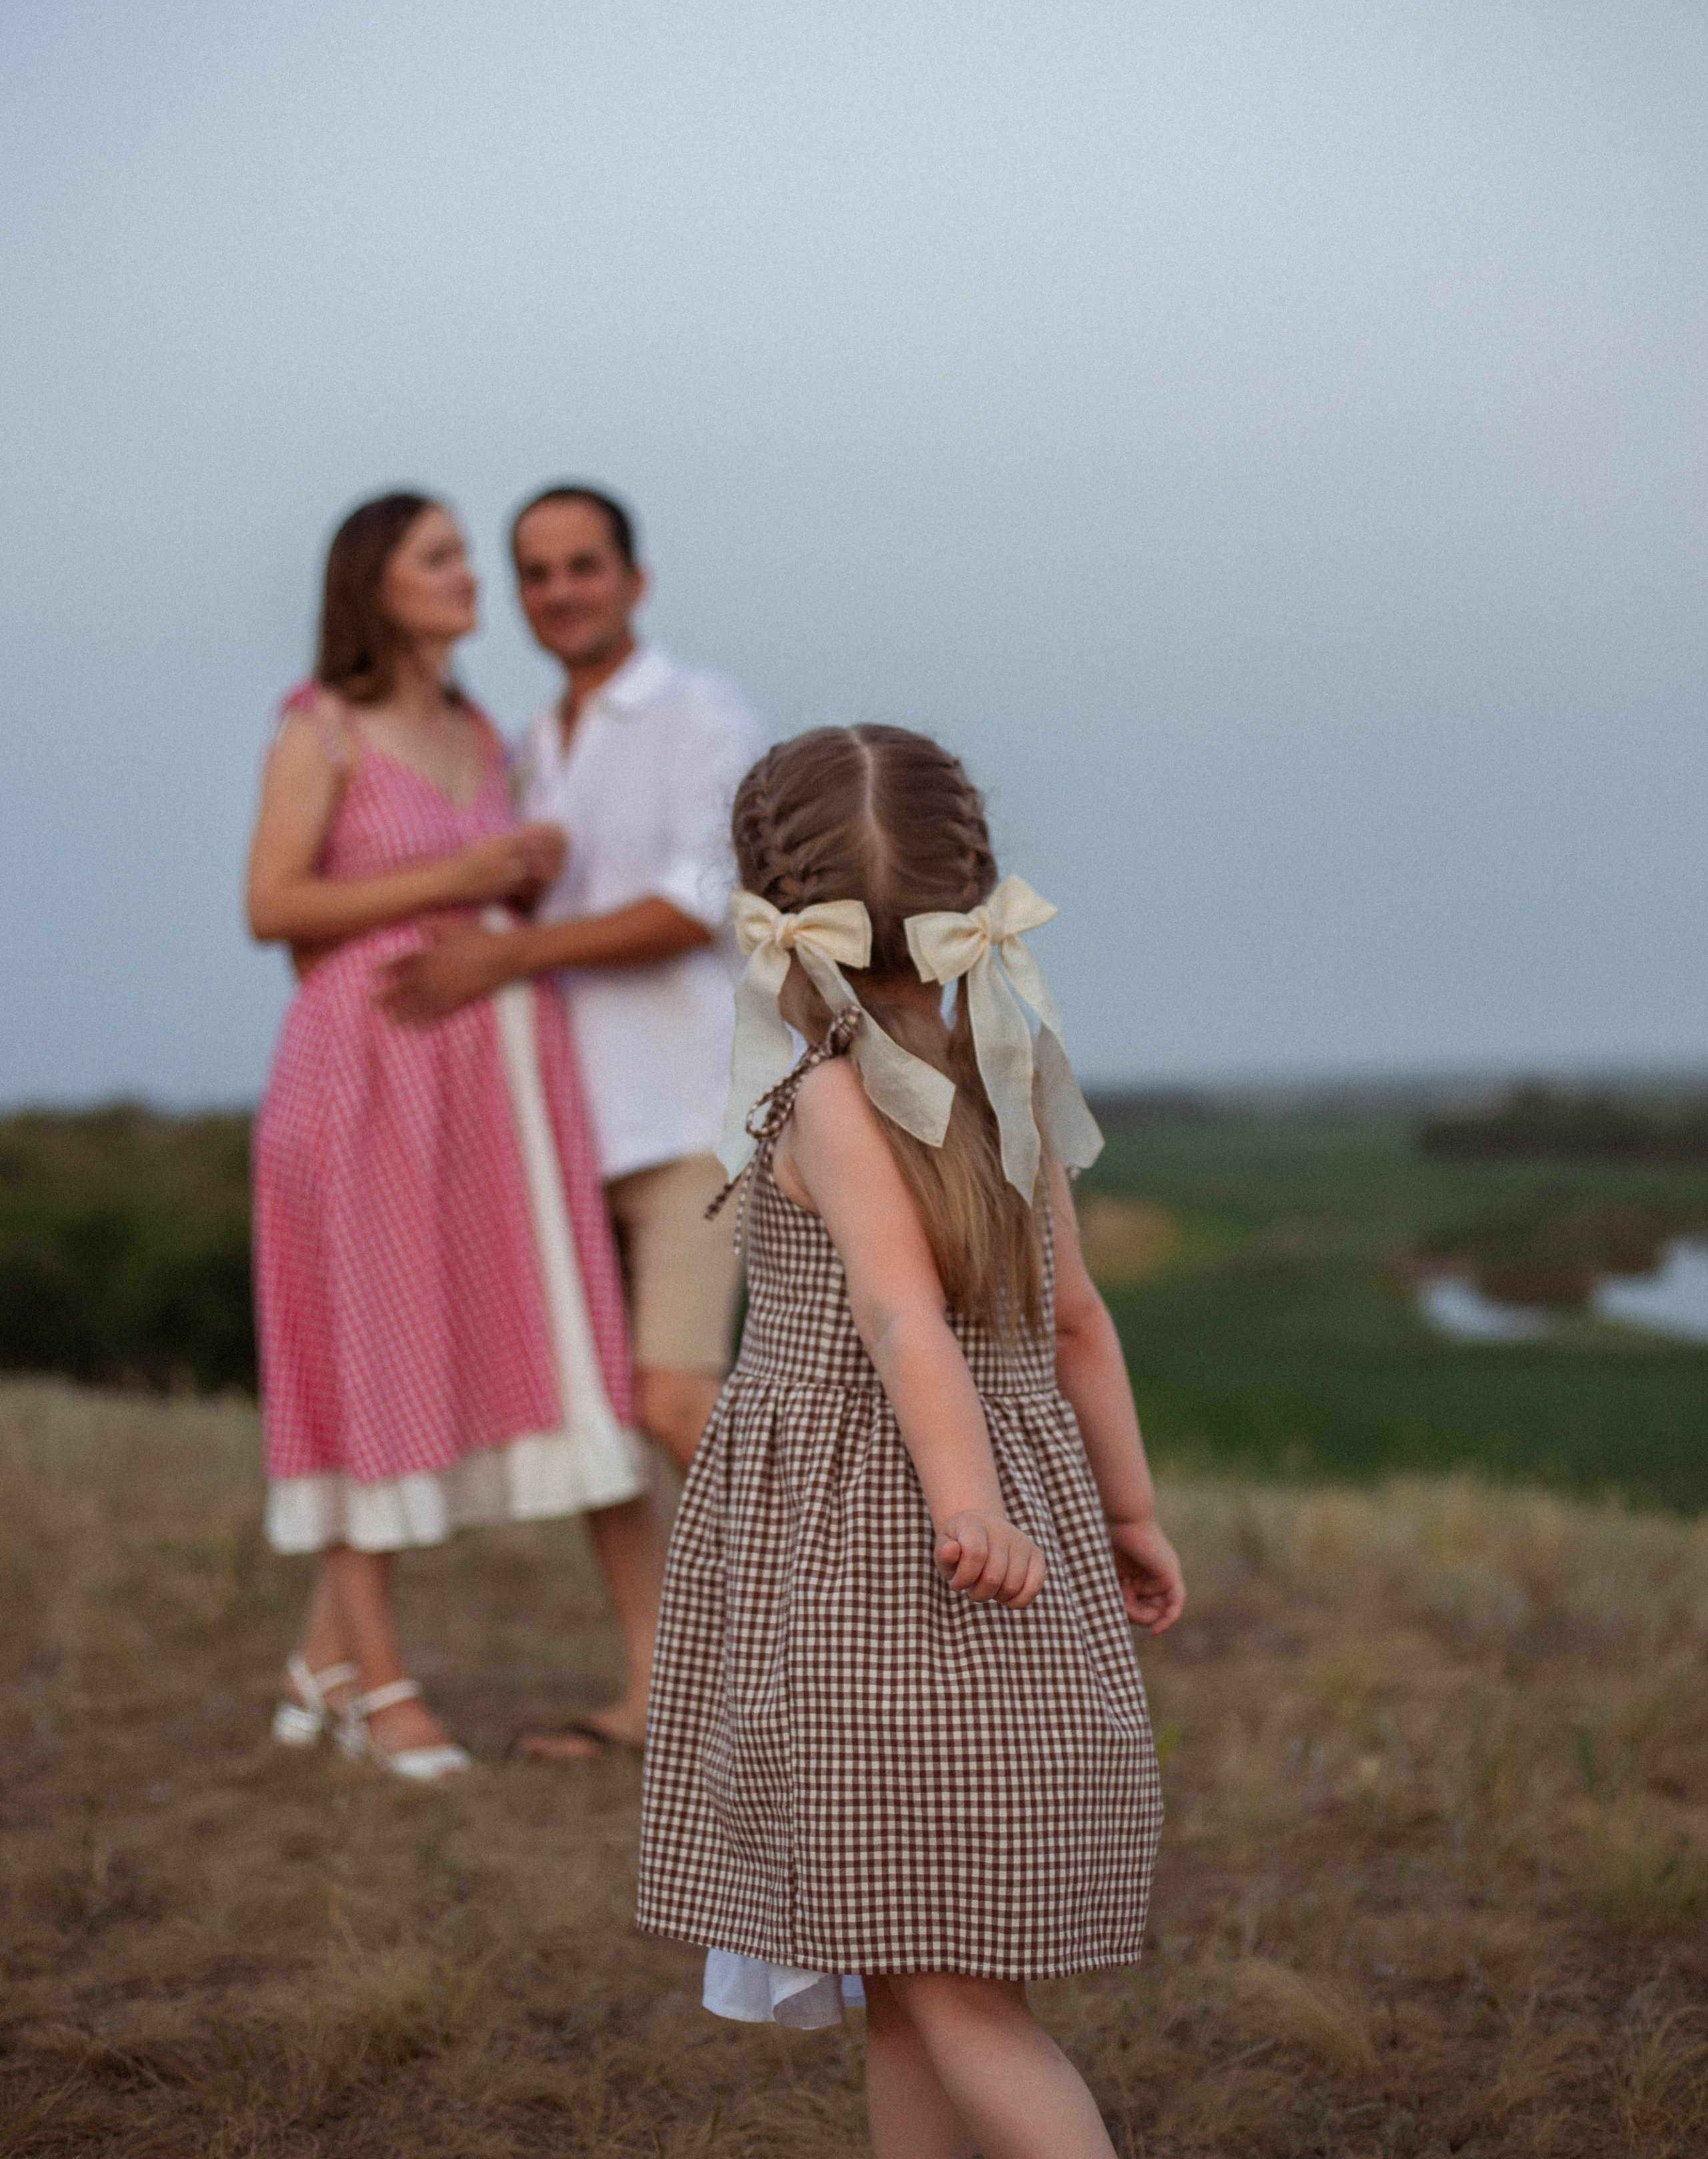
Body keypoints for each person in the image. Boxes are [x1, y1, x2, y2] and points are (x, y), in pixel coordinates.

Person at [635, 725, 1186, 2159]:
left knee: (955, 2000)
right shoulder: (1011, 1053)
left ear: (768, 900)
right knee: (911, 1964)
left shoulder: (819, 1089)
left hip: (877, 1567)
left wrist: (963, 1507)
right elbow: (1076, 1322)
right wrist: (1123, 1514)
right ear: (969, 885)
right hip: (1020, 1537)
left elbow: (898, 1322)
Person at [246, 492, 661, 1778]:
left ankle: (325, 1663)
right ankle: (385, 1691)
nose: (471, 578)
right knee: (364, 1353)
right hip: (360, 1081)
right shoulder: (319, 729)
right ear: (375, 584)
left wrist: (519, 869)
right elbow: (275, 909)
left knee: (447, 1352)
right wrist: (454, 881)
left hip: (485, 1099)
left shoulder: (485, 733)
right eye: (441, 559)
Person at [380, 485, 765, 1480]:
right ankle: (667, 1644)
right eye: (538, 573)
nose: (561, 591)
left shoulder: (701, 711)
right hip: (565, 1125)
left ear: (634, 580)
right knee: (600, 1428)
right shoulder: (524, 747)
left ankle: (849, 1623)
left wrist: (506, 955)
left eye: (583, 566)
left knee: (679, 1399)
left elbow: (697, 905)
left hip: (692, 1119)